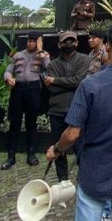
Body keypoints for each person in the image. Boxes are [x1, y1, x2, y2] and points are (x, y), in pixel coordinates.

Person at [46, 22, 112, 221]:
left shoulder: (90, 85)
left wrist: (57, 150)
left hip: (95, 172)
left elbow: (72, 134)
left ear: (107, 45)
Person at [0, 31, 50, 170]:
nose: (31, 43)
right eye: (29, 41)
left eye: (34, 41)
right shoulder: (18, 55)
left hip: (34, 90)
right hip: (18, 89)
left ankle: (31, 154)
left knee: (31, 123)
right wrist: (7, 77)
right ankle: (11, 156)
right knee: (14, 123)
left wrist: (41, 50)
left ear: (39, 42)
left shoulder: (43, 55)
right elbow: (9, 70)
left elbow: (49, 68)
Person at [44, 31, 90, 181]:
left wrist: (56, 80)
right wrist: (69, 83)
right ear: (59, 44)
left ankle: (85, 179)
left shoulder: (84, 59)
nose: (68, 44)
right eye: (65, 41)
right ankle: (62, 181)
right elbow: (51, 89)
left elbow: (80, 81)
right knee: (58, 148)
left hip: (78, 111)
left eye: (71, 41)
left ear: (76, 43)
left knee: (81, 148)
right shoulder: (52, 64)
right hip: (57, 110)